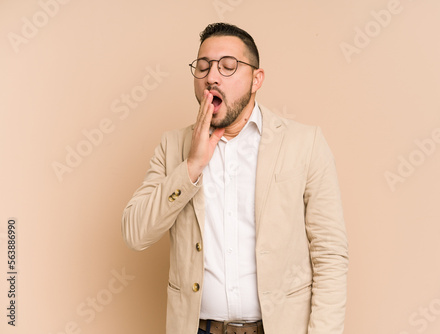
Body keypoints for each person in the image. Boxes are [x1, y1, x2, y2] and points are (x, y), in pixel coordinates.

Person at [122, 22, 348, 334]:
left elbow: (330, 255)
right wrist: (191, 167)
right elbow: (135, 233)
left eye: (228, 66)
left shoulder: (304, 143)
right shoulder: (173, 147)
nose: (211, 77)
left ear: (257, 79)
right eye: (203, 67)